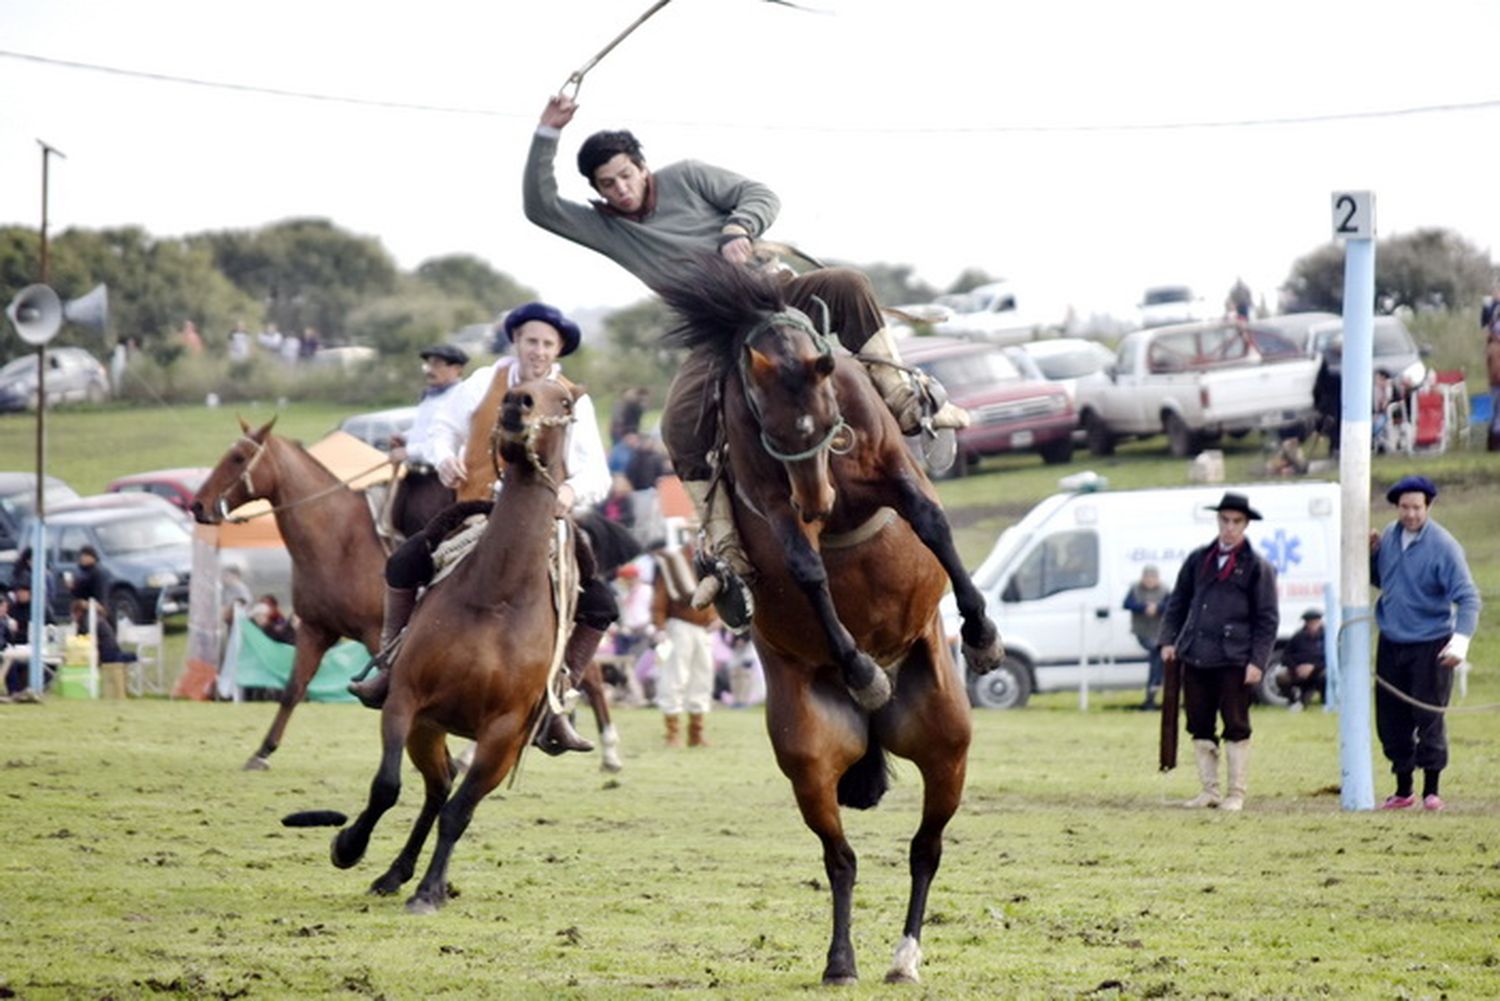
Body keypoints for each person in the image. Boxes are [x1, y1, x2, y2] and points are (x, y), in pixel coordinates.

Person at [523, 93, 967, 629]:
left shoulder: (688, 177)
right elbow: (540, 207)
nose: (621, 189)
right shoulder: (609, 228)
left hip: (775, 297)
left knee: (848, 285)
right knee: (680, 424)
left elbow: (760, 194)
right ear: (598, 194)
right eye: (608, 186)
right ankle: (726, 545)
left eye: (625, 175)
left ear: (642, 166)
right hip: (719, 335)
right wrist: (547, 132)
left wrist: (740, 228)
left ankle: (907, 403)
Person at [348, 302, 613, 759]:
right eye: (531, 340)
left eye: (547, 344)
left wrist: (571, 493)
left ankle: (556, 702)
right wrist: (444, 456)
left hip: (540, 523)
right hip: (476, 512)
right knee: (405, 560)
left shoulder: (573, 397)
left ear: (558, 350)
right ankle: (389, 665)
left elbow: (598, 474)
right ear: (516, 342)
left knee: (602, 603)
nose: (538, 350)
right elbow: (437, 432)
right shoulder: (480, 383)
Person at [1159, 492, 1278, 812]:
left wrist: (1258, 661)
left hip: (1235, 659)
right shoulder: (1199, 560)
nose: (1229, 527)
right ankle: (1209, 790)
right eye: (1224, 520)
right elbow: (1178, 602)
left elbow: (1267, 619)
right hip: (1196, 654)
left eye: (1236, 521)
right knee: (1198, 721)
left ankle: (1236, 792)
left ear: (1246, 524)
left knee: (1236, 724)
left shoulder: (1258, 567)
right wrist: (1168, 640)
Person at [1368, 475, 1481, 812]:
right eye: (1405, 507)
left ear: (1428, 506)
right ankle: (1403, 789)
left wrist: (1460, 641)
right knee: (1390, 717)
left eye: (1417, 507)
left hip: (1431, 643)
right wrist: (1370, 553)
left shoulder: (1444, 546)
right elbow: (1382, 579)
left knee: (1428, 716)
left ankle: (1432, 789)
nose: (1411, 514)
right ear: (1397, 508)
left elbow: (1468, 597)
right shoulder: (1389, 537)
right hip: (1391, 640)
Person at [389, 343, 468, 533]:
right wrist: (405, 438)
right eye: (429, 365)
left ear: (456, 369)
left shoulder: (460, 398)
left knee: (425, 529)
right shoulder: (431, 396)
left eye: (437, 365)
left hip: (437, 481)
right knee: (396, 520)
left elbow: (445, 442)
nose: (430, 370)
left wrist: (407, 452)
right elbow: (424, 432)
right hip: (414, 478)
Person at [651, 542, 718, 747]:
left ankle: (696, 733)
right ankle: (673, 733)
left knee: (702, 677)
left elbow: (718, 596)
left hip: (704, 629)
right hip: (679, 625)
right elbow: (660, 598)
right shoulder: (674, 564)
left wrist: (718, 618)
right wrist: (660, 626)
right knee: (675, 676)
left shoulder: (711, 564)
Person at [1123, 565, 1170, 710]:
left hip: (1159, 632)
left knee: (1157, 656)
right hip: (1143, 631)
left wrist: (1158, 607)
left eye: (1152, 577)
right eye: (1147, 577)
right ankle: (1154, 688)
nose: (1149, 580)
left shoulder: (1165, 590)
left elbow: (1172, 605)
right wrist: (1144, 607)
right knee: (1157, 653)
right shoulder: (1135, 589)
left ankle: (1152, 693)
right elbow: (1127, 604)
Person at [1276, 609, 1327, 711]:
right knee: (1281, 676)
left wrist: (1314, 667)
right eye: (1310, 622)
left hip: (1318, 671)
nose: (1312, 625)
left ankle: (1325, 702)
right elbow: (1285, 656)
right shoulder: (1298, 637)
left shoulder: (1326, 637)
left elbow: (1331, 658)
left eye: (1315, 622)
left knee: (1326, 675)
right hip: (1298, 671)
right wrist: (1296, 667)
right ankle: (1293, 700)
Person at [1486, 320, 1500, 453]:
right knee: (1498, 414)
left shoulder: (1491, 347)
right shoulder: (1496, 349)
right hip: (1498, 384)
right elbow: (1496, 369)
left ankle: (1492, 443)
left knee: (1496, 412)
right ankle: (1495, 443)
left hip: (1494, 384)